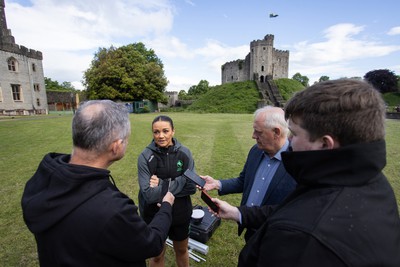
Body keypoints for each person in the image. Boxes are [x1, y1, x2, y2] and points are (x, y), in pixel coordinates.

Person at [212, 79, 400, 266]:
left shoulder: (301, 237)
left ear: (325, 144)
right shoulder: (373, 183)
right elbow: (288, 205)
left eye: (294, 134)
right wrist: (238, 212)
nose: (290, 142)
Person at [21, 100, 175, 267]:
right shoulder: (113, 211)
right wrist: (166, 205)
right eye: (125, 139)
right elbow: (151, 244)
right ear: (116, 146)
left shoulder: (43, 178)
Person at [200, 106, 296, 241]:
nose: (253, 136)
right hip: (250, 230)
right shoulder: (256, 151)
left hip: (276, 236)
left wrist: (237, 213)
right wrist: (217, 184)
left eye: (258, 132)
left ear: (276, 132)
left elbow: (292, 209)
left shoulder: (297, 162)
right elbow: (244, 181)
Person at [137, 115, 196, 267]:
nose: (161, 136)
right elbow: (149, 195)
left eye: (165, 131)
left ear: (173, 131)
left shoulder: (185, 153)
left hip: (180, 211)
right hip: (154, 213)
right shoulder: (145, 156)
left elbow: (191, 187)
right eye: (156, 132)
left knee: (182, 251)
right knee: (157, 256)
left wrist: (162, 184)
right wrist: (181, 180)